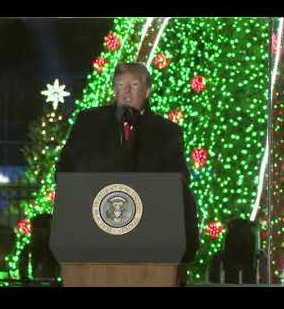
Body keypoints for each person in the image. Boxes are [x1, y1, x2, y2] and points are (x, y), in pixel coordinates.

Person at [56, 62, 199, 264]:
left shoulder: (167, 131)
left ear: (147, 90)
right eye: (121, 85)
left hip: (149, 237)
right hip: (93, 234)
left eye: (134, 85)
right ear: (114, 89)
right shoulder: (88, 122)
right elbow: (66, 168)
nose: (126, 92)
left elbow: (179, 180)